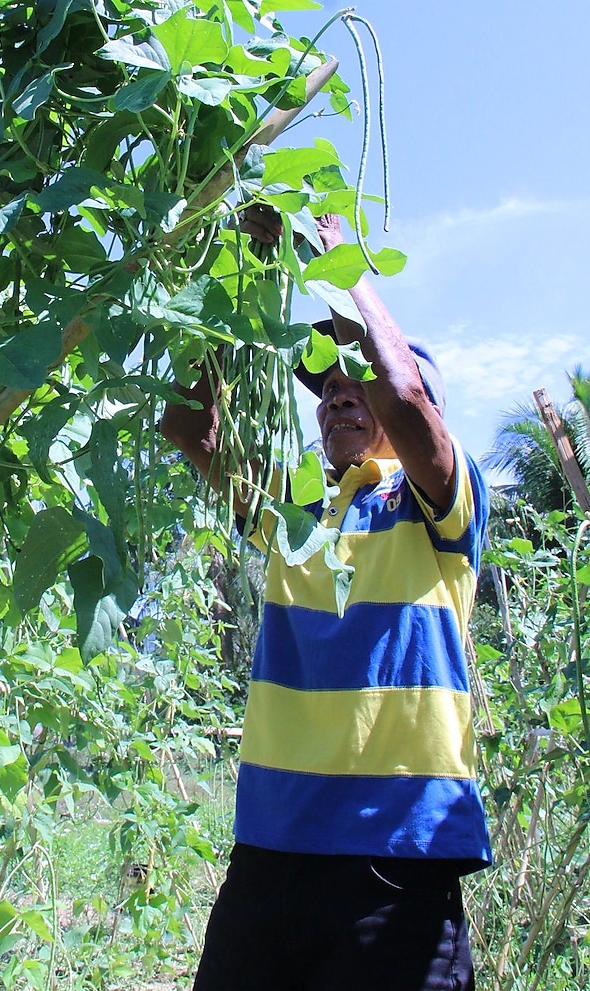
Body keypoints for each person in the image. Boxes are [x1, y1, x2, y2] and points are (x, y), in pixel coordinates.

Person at [160, 207, 491, 991]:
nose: (339, 396)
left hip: (397, 865)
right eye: (326, 387)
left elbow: (404, 392)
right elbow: (185, 425)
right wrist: (234, 280)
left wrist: (332, 254)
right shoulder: (296, 520)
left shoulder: (441, 504)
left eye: (356, 384)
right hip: (271, 855)